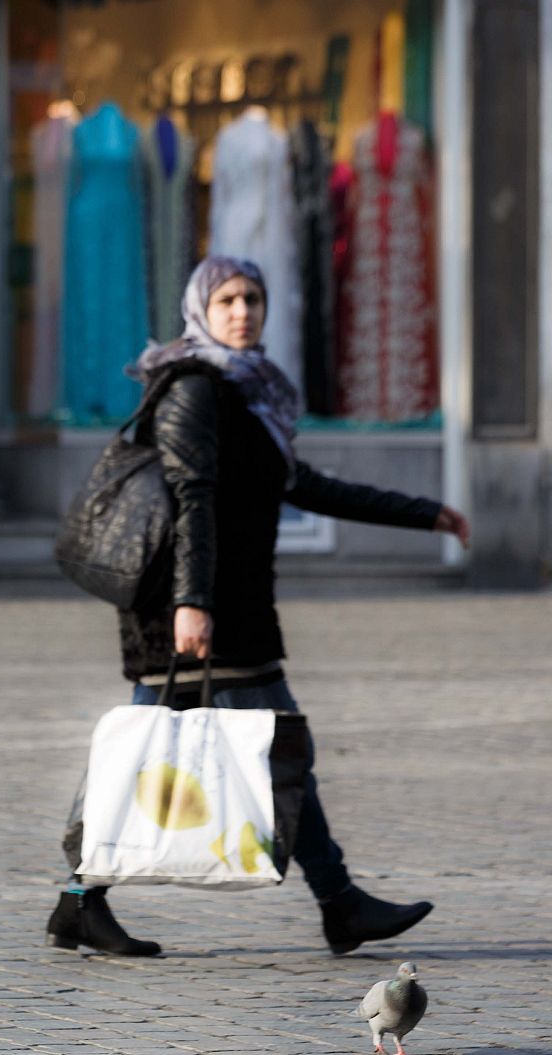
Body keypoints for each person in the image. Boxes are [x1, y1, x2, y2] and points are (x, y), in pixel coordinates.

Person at [45, 255, 470, 958]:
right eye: (228, 301)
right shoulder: (193, 388)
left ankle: (82, 901)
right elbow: (192, 499)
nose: (242, 312)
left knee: (177, 755)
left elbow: (301, 484)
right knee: (260, 750)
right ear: (200, 311)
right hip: (196, 610)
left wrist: (424, 513)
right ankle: (337, 901)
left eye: (252, 299)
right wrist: (191, 602)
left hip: (227, 605)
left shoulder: (246, 394)